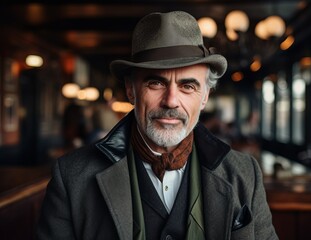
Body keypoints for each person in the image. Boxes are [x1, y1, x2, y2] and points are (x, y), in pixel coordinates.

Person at [37, 11, 278, 240]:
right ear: (131, 90)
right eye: (156, 83)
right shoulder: (72, 177)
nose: (171, 101)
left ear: (204, 96)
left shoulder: (245, 173)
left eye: (188, 86)